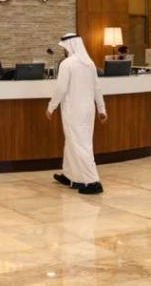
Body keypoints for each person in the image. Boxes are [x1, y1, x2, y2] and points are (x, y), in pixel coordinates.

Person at [47, 33, 107, 194]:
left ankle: (93, 182)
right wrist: (102, 109)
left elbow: (60, 89)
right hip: (88, 111)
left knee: (80, 145)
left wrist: (51, 107)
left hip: (74, 111)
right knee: (73, 142)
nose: (65, 50)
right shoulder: (90, 63)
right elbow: (97, 88)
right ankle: (69, 175)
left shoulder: (67, 64)